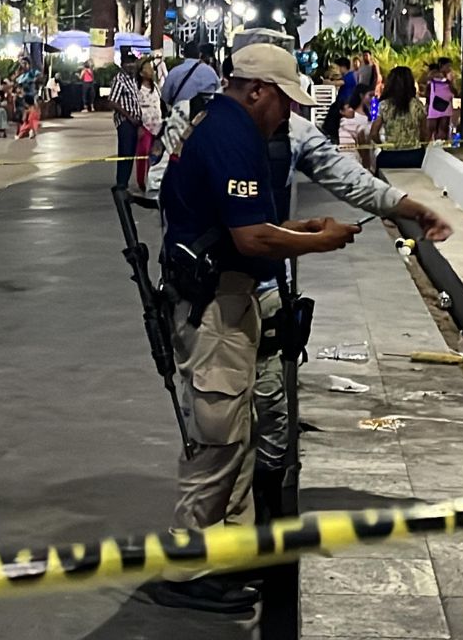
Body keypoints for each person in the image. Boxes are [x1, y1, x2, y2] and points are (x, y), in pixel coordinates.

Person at [149, 42, 361, 612]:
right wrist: (319, 239)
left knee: (235, 436)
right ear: (258, 91)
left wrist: (301, 227)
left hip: (225, 300)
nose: (288, 117)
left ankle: (224, 557)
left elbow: (247, 223)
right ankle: (188, 570)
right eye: (284, 103)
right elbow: (251, 238)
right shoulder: (230, 135)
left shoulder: (220, 126)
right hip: (214, 309)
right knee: (217, 441)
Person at [372, 66, 428, 168]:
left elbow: (374, 133)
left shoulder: (384, 105)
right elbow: (424, 132)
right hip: (414, 155)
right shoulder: (418, 105)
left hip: (390, 156)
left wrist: (383, 145)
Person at [108, 53, 142, 188]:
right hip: (125, 122)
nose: (131, 65)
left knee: (132, 152)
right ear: (122, 65)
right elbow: (112, 101)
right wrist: (128, 116)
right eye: (128, 63)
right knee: (126, 151)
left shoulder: (133, 79)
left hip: (136, 121)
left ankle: (125, 181)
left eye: (133, 63)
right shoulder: (119, 80)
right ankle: (121, 182)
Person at [135, 56, 163, 191]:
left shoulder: (155, 87)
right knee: (143, 153)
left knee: (156, 155)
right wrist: (139, 126)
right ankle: (142, 181)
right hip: (145, 126)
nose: (151, 70)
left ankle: (153, 179)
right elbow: (136, 108)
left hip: (157, 126)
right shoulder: (137, 88)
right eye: (147, 68)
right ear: (141, 73)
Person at [328, 84, 371, 168]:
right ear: (342, 112)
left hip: (343, 160)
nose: (352, 110)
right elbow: (362, 145)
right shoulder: (352, 125)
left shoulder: (341, 124)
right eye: (348, 108)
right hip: (352, 160)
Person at [427, 59, 455, 141]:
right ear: (441, 66)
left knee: (443, 128)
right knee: (431, 128)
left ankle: (440, 145)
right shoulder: (434, 74)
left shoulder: (449, 77)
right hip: (434, 104)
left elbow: (454, 90)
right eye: (448, 66)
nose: (449, 68)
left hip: (445, 104)